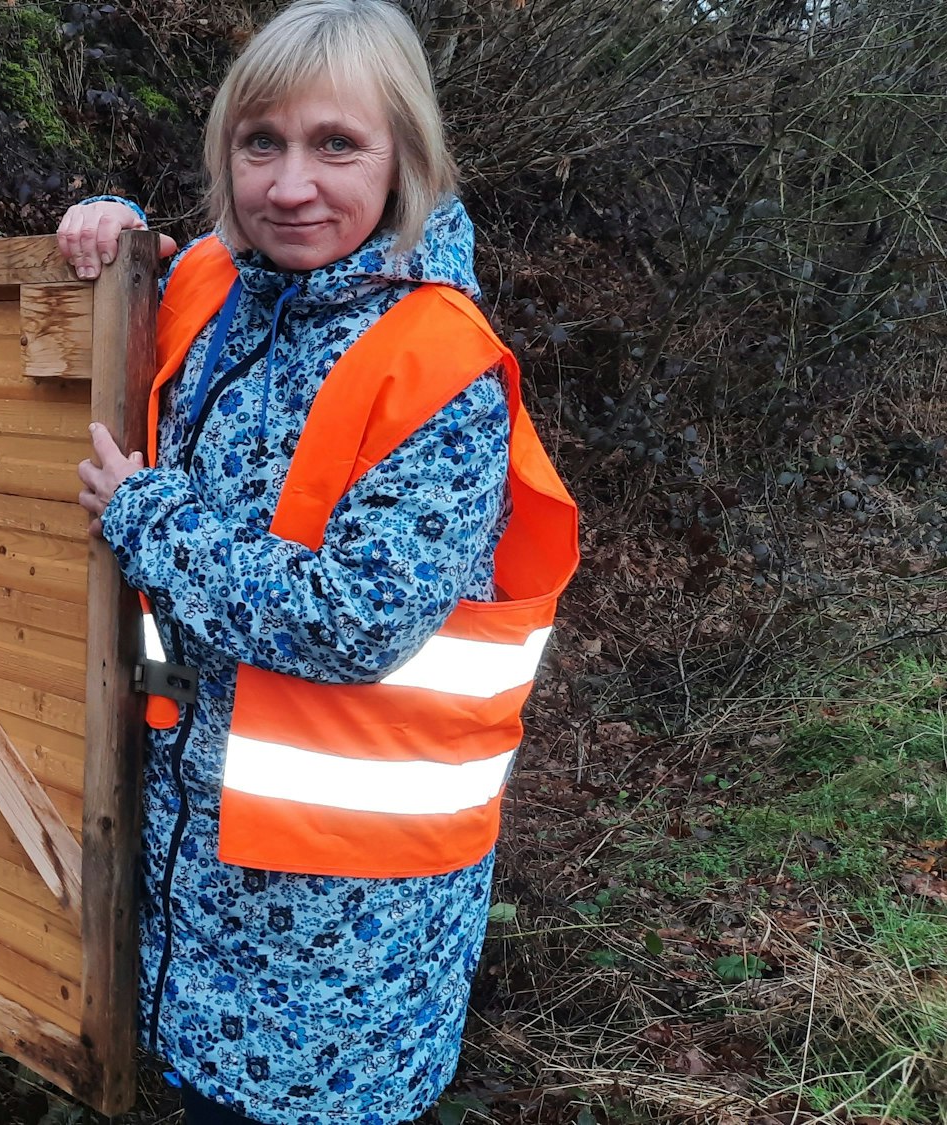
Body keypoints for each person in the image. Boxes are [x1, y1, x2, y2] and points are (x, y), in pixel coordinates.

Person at [57, 3, 580, 1123]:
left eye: (335, 145)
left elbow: (349, 622)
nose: (290, 185)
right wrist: (109, 228)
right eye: (260, 143)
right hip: (197, 854)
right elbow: (144, 273)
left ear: (404, 159)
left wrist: (147, 520)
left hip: (345, 912)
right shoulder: (210, 279)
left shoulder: (439, 364)